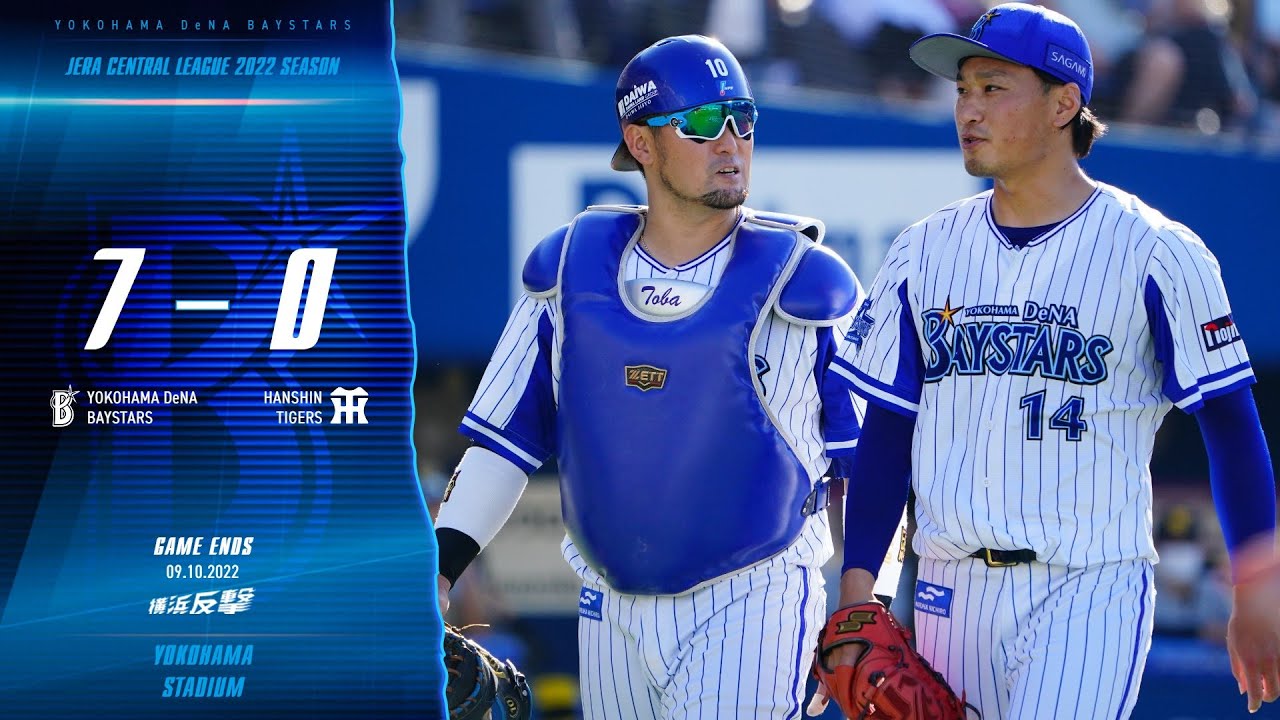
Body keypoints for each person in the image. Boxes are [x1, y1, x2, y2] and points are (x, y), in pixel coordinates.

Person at [817, 4, 1280, 718]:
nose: (968, 109)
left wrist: (1257, 587)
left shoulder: (1157, 251)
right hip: (946, 589)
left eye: (993, 88)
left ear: (1064, 104)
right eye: (962, 90)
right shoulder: (923, 249)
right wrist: (859, 594)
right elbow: (888, 430)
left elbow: (1230, 424)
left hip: (1087, 584)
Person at [433, 34, 902, 718]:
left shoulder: (809, 283)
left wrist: (866, 604)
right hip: (607, 599)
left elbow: (870, 462)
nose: (731, 142)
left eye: (743, 118)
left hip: (755, 594)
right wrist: (439, 571)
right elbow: (503, 443)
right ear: (641, 142)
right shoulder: (567, 268)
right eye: (704, 122)